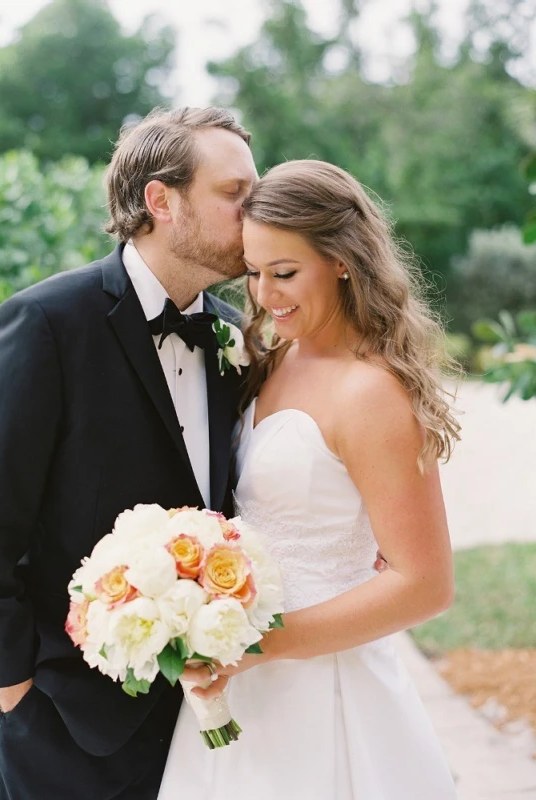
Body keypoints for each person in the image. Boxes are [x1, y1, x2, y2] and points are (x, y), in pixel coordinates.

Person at [0, 106, 258, 800]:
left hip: (207, 719)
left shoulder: (238, 337)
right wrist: (15, 693)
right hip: (64, 722)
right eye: (234, 194)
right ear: (161, 201)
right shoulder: (44, 325)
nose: (255, 211)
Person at [158, 159, 460, 799]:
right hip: (239, 675)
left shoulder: (371, 392)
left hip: (327, 685)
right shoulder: (271, 358)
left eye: (286, 273)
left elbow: (425, 584)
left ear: (343, 260)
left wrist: (256, 646)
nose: (265, 296)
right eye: (255, 273)